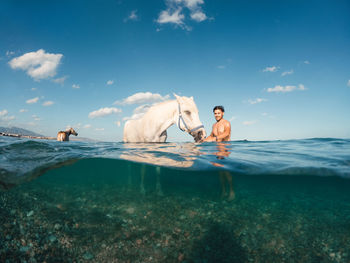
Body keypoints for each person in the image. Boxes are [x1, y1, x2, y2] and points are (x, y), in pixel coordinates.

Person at [204, 105, 234, 200]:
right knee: (220, 173)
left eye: (218, 113)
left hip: (225, 149)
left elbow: (226, 133)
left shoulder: (226, 123)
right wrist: (203, 141)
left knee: (226, 172)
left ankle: (232, 192)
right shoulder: (214, 125)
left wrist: (214, 138)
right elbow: (210, 136)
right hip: (217, 150)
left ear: (223, 113)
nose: (216, 115)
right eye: (215, 113)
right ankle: (224, 191)